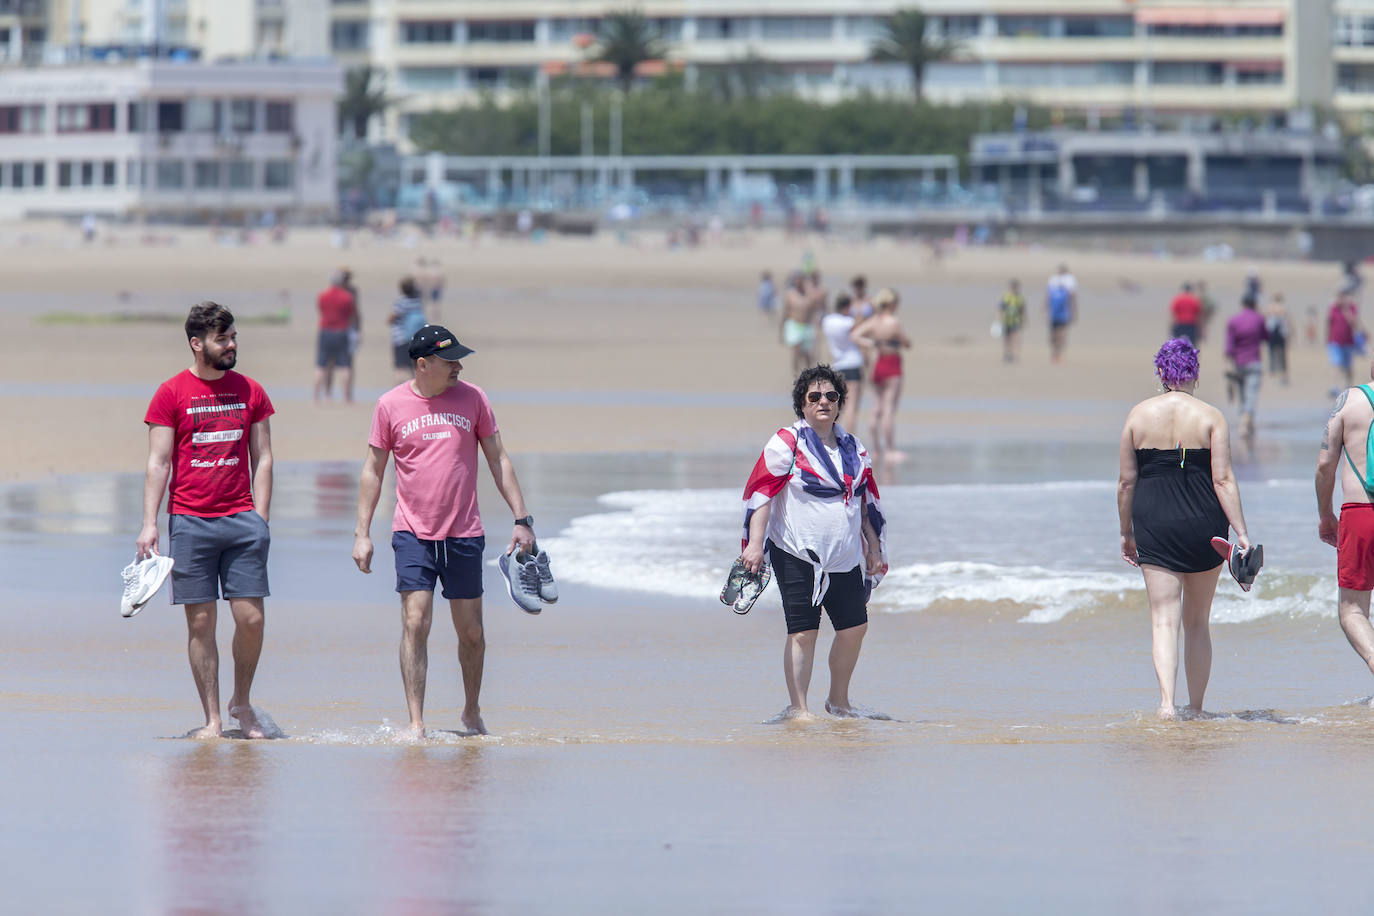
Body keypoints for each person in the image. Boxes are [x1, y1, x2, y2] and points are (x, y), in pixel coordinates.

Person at [353, 325, 549, 738]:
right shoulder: (390, 405)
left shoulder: (474, 398)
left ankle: (471, 711)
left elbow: (498, 459)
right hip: (413, 534)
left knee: (472, 632)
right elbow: (373, 470)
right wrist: (362, 533)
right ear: (423, 365)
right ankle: (416, 722)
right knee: (415, 621)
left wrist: (521, 518)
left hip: (463, 533)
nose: (458, 366)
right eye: (450, 360)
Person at [137, 302, 275, 739]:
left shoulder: (251, 391)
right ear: (197, 344)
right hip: (191, 521)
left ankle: (243, 702)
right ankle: (213, 719)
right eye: (223, 339)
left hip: (242, 520)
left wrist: (261, 518)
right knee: (200, 623)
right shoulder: (171, 393)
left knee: (251, 619)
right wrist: (149, 522)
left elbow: (264, 458)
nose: (232, 345)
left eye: (234, 336)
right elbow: (158, 463)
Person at [740, 365, 887, 719]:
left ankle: (839, 701)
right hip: (796, 552)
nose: (824, 402)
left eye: (831, 396)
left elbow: (865, 503)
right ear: (802, 405)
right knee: (803, 632)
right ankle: (799, 708)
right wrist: (755, 544)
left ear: (839, 403)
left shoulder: (854, 448)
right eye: (815, 396)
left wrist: (875, 548)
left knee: (854, 629)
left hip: (845, 557)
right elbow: (762, 493)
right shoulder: (786, 443)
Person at [1118, 338, 1253, 720]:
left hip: (1154, 523)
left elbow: (1126, 483)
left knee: (1163, 618)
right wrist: (1241, 533)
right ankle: (1195, 708)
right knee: (1196, 622)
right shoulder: (1211, 417)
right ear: (1194, 373)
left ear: (1161, 372)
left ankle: (1165, 706)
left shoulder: (1138, 416)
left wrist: (1126, 532)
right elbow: (1223, 480)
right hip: (1204, 526)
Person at [1316, 367, 1374, 688]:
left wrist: (1325, 513)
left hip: (1360, 511)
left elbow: (1325, 464)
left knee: (1352, 610)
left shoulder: (1349, 400)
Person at [852, 288, 911, 477]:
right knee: (888, 410)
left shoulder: (874, 322)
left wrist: (873, 343)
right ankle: (890, 450)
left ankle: (876, 449)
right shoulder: (893, 322)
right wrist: (897, 342)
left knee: (875, 409)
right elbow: (906, 342)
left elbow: (855, 335)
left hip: (877, 365)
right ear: (892, 304)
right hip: (891, 365)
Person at [821, 293, 866, 432]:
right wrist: (859, 310)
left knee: (837, 405)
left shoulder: (828, 321)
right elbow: (862, 324)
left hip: (838, 365)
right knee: (851, 406)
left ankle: (828, 434)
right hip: (852, 364)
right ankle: (849, 439)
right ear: (847, 307)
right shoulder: (848, 322)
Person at [1225, 295, 1268, 438]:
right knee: (1251, 394)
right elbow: (1265, 336)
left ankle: (1248, 423)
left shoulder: (1233, 320)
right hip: (1254, 361)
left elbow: (1229, 347)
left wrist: (1228, 366)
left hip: (1238, 363)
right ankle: (1245, 425)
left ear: (1242, 305)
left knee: (1243, 395)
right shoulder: (1259, 318)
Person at [314, 271, 358, 404]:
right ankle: (346, 396)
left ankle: (317, 396)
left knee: (321, 364)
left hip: (326, 330)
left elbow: (320, 310)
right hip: (341, 331)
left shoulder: (323, 295)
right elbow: (352, 314)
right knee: (345, 365)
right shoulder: (347, 297)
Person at [780, 270, 820, 375]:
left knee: (807, 353)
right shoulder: (790, 295)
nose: (798, 282)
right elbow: (785, 312)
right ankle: (795, 374)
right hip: (794, 325)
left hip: (807, 326)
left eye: (800, 279)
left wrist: (817, 328)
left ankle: (808, 374)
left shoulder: (810, 295)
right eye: (796, 279)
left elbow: (815, 312)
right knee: (796, 350)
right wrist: (781, 330)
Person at [389, 277, 427, 383]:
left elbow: (391, 319)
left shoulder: (401, 302)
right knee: (414, 368)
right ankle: (415, 390)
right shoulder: (418, 301)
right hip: (415, 339)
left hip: (401, 338)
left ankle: (399, 390)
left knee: (400, 368)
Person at [1328, 292, 1362, 395]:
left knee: (1348, 366)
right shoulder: (1334, 308)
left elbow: (1354, 323)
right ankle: (1335, 387)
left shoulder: (1351, 308)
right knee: (1336, 364)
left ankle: (1349, 386)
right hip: (1335, 341)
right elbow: (1329, 322)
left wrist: (1346, 310)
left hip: (1348, 342)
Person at [1046, 264, 1077, 363]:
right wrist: (1045, 309)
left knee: (1061, 334)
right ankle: (1054, 352)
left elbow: (1073, 298)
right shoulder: (1053, 280)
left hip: (1063, 313)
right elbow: (1048, 296)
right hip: (1053, 312)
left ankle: (1059, 353)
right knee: (1053, 335)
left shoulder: (1070, 281)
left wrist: (1073, 311)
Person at [1265, 293, 1290, 385]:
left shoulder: (1282, 308)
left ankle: (1282, 371)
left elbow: (1286, 319)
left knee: (1281, 354)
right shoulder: (1271, 307)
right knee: (1272, 352)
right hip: (1272, 332)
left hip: (1280, 332)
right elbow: (1267, 316)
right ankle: (1272, 371)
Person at [998, 278, 1025, 363]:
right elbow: (1001, 308)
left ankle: (1015, 355)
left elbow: (1022, 310)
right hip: (1007, 321)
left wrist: (1023, 320)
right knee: (1007, 338)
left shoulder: (1020, 298)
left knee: (1015, 338)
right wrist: (1000, 319)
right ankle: (1007, 354)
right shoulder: (1006, 297)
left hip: (1016, 321)